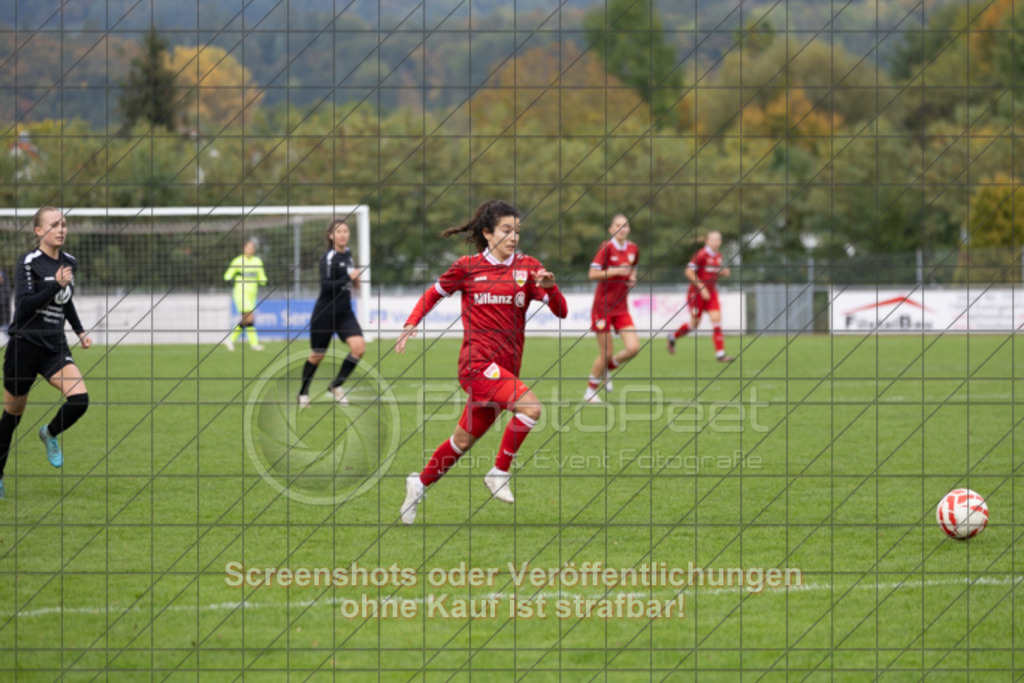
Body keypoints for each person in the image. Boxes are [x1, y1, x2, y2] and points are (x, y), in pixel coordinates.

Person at [395, 199, 568, 525]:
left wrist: (551, 288)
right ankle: (498, 472)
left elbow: (561, 311)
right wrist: (410, 324)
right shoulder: (468, 267)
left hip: (505, 370)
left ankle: (417, 484)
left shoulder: (529, 268)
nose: (513, 237)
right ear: (488, 234)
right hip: (476, 366)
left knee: (461, 442)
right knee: (531, 409)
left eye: (517, 231)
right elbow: (432, 293)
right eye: (506, 230)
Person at [0, 207, 93, 500]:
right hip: (25, 345)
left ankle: (49, 433)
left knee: (80, 399)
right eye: (53, 224)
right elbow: (25, 306)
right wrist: (55, 284)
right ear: (39, 231)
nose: (61, 229)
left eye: (63, 224)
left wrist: (79, 331)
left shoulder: (70, 262)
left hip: (54, 346)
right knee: (12, 416)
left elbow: (66, 302)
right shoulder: (28, 263)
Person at [296, 219, 364, 407]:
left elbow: (348, 280)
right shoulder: (328, 257)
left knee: (359, 348)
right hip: (325, 313)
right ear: (331, 236)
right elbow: (326, 287)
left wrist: (355, 281)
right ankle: (302, 393)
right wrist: (347, 278)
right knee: (317, 356)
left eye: (346, 231)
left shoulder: (348, 254)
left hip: (345, 313)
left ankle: (336, 385)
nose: (343, 234)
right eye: (339, 231)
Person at [583, 213, 640, 403]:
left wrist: (632, 278)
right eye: (617, 225)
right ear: (611, 229)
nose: (621, 229)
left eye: (624, 225)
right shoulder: (606, 248)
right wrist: (616, 271)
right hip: (602, 308)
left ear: (629, 228)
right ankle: (590, 392)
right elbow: (592, 274)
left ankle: (609, 367)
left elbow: (632, 269)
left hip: (621, 308)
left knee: (633, 348)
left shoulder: (633, 248)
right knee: (606, 351)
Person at [667, 230, 734, 362]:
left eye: (718, 240)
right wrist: (702, 287)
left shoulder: (718, 256)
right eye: (713, 239)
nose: (716, 242)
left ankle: (720, 354)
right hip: (696, 294)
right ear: (707, 241)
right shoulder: (701, 254)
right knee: (694, 325)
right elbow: (689, 271)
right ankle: (673, 336)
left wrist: (723, 272)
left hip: (711, 293)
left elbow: (712, 271)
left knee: (717, 321)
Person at [223, 237, 268, 351]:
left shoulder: (257, 262)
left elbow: (262, 277)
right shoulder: (237, 261)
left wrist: (265, 281)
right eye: (248, 247)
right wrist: (231, 278)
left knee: (247, 320)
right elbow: (227, 275)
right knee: (250, 317)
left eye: (252, 248)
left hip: (252, 294)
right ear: (244, 248)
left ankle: (231, 339)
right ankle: (254, 344)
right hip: (240, 293)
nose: (250, 249)